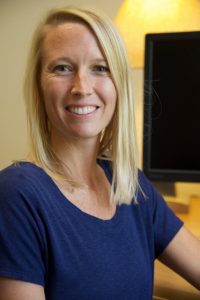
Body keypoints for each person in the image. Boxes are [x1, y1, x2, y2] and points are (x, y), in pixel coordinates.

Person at [0, 6, 200, 300]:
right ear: (39, 87)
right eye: (63, 68)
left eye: (100, 68)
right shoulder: (16, 196)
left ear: (118, 85)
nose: (82, 87)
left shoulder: (132, 186)